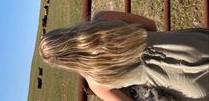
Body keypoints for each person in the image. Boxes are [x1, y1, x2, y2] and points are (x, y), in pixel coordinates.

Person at [39, 10, 209, 101]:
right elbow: (150, 25)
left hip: (186, 84)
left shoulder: (97, 82)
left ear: (64, 62)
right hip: (190, 44)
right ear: (63, 32)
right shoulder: (103, 18)